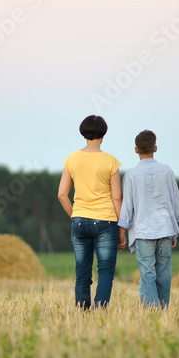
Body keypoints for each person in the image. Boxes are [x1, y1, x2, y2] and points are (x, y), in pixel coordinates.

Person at [57, 115, 122, 309]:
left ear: (83, 133)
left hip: (79, 220)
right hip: (106, 222)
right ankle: (100, 311)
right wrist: (122, 231)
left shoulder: (72, 159)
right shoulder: (111, 161)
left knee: (82, 273)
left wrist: (74, 216)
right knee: (105, 271)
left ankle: (82, 313)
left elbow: (62, 195)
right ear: (103, 135)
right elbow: (117, 198)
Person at [118, 130, 179, 308]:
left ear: (136, 150)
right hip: (165, 228)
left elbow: (127, 207)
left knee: (147, 274)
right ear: (155, 148)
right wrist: (175, 231)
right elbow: (175, 200)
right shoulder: (167, 170)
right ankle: (163, 312)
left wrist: (121, 234)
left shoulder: (131, 174)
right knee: (164, 275)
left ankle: (151, 313)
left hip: (143, 231)